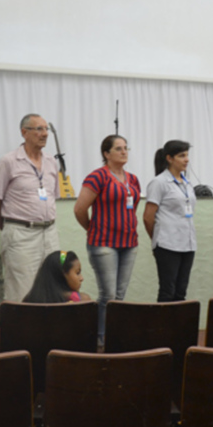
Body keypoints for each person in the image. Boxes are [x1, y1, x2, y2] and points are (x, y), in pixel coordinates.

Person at [73, 135, 141, 344]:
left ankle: (115, 335)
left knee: (119, 296)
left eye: (125, 148)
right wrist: (92, 228)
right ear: (106, 154)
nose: (124, 152)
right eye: (118, 149)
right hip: (104, 243)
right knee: (108, 295)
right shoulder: (97, 177)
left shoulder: (133, 179)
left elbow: (132, 207)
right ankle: (101, 338)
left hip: (129, 243)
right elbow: (80, 209)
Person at [0, 113, 60, 302]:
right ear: (24, 132)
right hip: (21, 233)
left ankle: (47, 331)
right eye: (39, 129)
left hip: (50, 233)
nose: (44, 134)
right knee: (22, 291)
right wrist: (10, 227)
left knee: (53, 285)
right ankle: (18, 331)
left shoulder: (52, 162)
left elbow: (53, 196)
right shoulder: (8, 162)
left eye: (46, 129)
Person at [143, 140, 197, 302]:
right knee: (168, 291)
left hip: (187, 244)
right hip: (167, 244)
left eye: (187, 155)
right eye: (181, 156)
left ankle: (178, 328)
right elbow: (147, 217)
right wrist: (158, 238)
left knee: (181, 292)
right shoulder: (159, 183)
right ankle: (163, 328)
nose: (186, 159)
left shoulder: (187, 183)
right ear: (169, 158)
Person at [23, 250, 92, 304]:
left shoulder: (27, 302)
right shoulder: (82, 300)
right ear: (63, 274)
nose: (81, 278)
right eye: (77, 273)